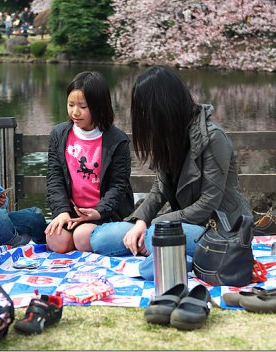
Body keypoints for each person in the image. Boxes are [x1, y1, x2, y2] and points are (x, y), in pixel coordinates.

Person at [89, 66, 252, 280]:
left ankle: (174, 261)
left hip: (220, 231)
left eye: (146, 110)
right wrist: (141, 221)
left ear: (162, 106)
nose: (145, 117)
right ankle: (171, 258)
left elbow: (207, 205)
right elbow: (159, 190)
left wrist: (156, 223)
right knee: (100, 239)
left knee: (155, 234)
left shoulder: (213, 138)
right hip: (183, 227)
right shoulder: (170, 134)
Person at [44, 71, 134, 253]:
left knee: (82, 237)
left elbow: (119, 185)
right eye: (70, 105)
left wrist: (99, 211)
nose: (75, 112)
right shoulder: (59, 134)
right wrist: (61, 211)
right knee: (55, 239)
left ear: (99, 106)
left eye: (83, 107)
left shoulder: (117, 140)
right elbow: (55, 177)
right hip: (71, 213)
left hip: (103, 214)